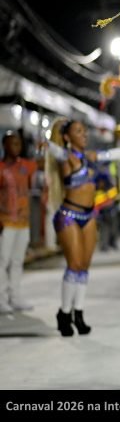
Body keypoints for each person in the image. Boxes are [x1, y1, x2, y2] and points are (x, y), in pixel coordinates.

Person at [47, 118, 120, 336]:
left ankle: (79, 313)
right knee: (74, 265)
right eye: (78, 131)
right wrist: (46, 144)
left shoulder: (90, 157)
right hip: (69, 216)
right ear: (67, 137)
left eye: (85, 131)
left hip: (89, 216)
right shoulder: (66, 158)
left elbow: (113, 154)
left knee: (83, 268)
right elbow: (54, 150)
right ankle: (64, 314)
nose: (84, 135)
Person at [0, 131, 37, 314]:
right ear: (4, 146)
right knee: (2, 261)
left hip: (23, 223)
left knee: (17, 261)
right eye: (13, 144)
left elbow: (42, 163)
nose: (17, 147)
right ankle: (1, 298)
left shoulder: (25, 166)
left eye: (19, 144)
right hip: (5, 222)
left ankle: (15, 297)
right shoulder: (0, 169)